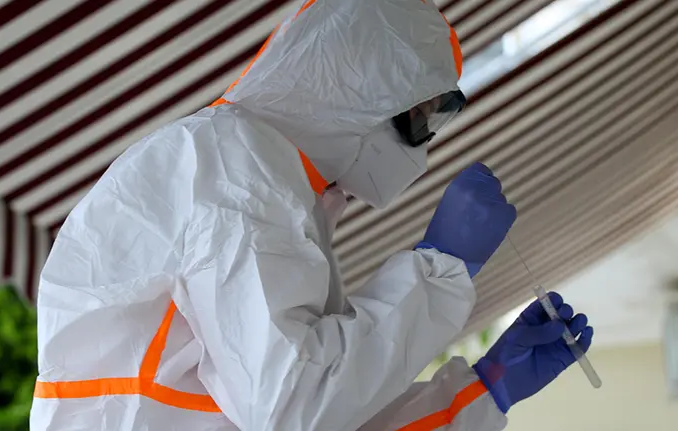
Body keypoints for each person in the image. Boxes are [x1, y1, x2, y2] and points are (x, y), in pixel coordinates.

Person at [30, 1, 593, 430]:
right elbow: (293, 404)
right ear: (361, 91)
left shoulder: (273, 186)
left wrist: (482, 392)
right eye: (420, 117)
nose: (423, 148)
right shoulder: (230, 169)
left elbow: (324, 409)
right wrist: (437, 271)